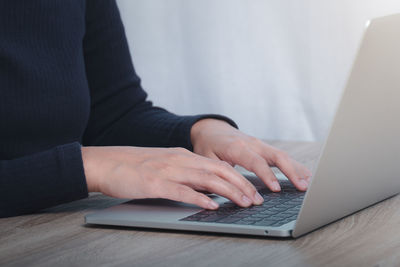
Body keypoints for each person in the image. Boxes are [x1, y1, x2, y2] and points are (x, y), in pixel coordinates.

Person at [0, 0, 311, 218]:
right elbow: (94, 159)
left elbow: (113, 114)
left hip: (57, 230)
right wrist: (88, 166)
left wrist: (199, 132)